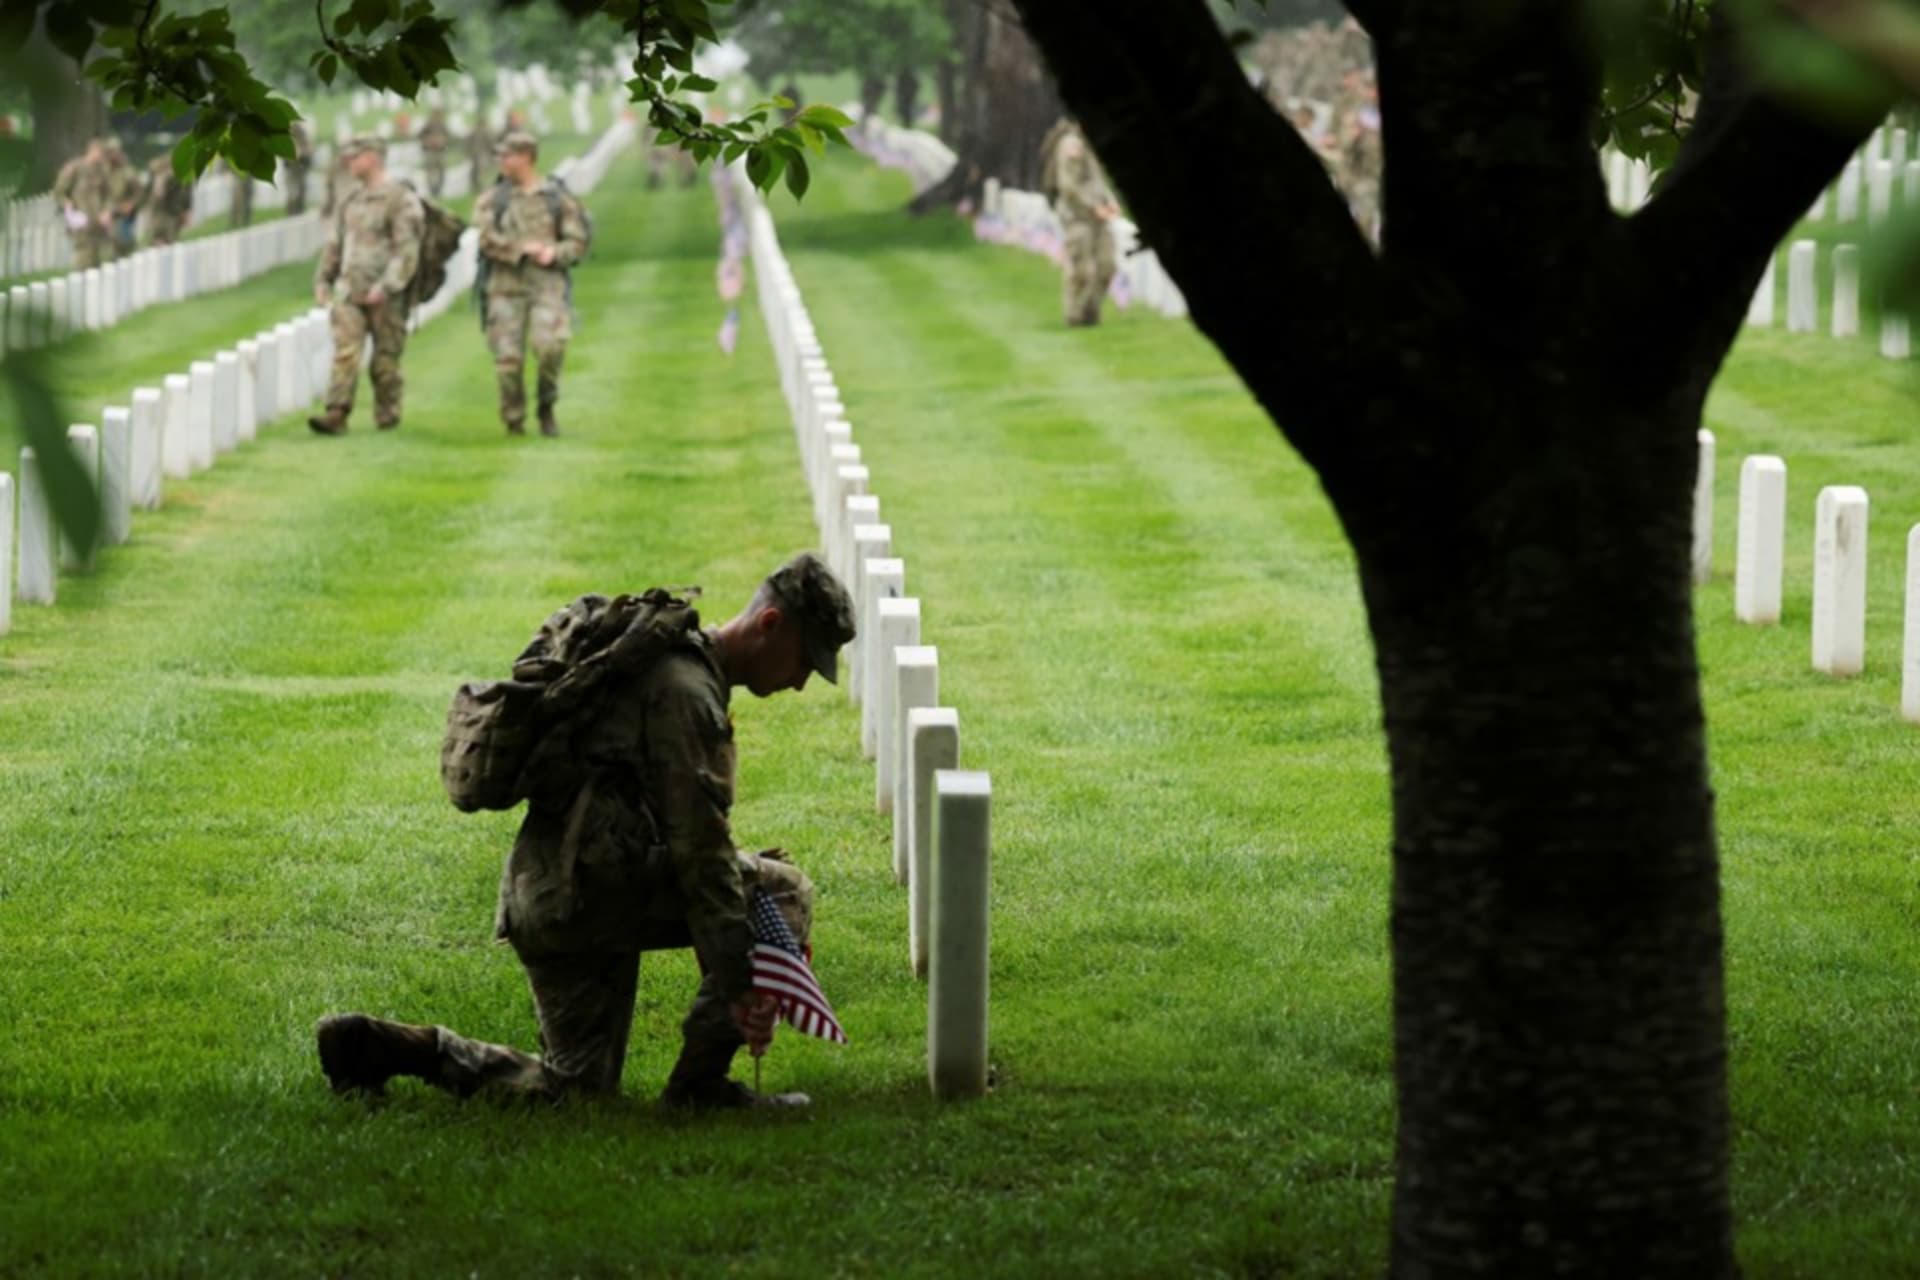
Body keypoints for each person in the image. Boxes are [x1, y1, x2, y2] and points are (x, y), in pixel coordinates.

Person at [315, 554, 860, 1110]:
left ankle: (396, 1049)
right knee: (781, 891)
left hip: (547, 893)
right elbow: (702, 854)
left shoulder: (661, 660)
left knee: (576, 1092)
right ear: (770, 624)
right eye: (804, 662)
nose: (799, 683)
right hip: (597, 893)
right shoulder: (685, 692)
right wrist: (740, 981)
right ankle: (700, 1090)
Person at [476, 131, 590, 437]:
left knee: (551, 347)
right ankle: (513, 418)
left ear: (526, 156)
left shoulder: (556, 199)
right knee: (507, 359)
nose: (502, 161)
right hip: (504, 287)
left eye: (507, 155)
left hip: (547, 286)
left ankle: (546, 406)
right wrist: (518, 249)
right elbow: (485, 239)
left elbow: (578, 241)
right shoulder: (493, 200)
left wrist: (554, 252)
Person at [309, 137, 425, 435]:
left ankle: (387, 413)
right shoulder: (351, 199)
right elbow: (336, 244)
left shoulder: (400, 199)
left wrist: (386, 286)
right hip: (350, 291)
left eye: (355, 156)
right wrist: (324, 278)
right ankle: (336, 413)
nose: (349, 162)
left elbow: (407, 250)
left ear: (373, 157)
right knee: (345, 352)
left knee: (385, 361)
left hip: (386, 295)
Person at [1041, 120, 1119, 327]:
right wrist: (1094, 207)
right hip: (1077, 217)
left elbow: (1098, 179)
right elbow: (1068, 186)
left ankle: (1091, 312)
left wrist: (1110, 201)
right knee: (1082, 271)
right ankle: (1074, 316)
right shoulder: (1070, 144)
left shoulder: (1091, 143)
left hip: (1100, 216)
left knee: (1107, 266)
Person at [52, 137, 116, 269]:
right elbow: (59, 191)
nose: (102, 157)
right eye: (100, 153)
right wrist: (66, 203)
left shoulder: (103, 171)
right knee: (83, 254)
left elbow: (109, 195)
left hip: (98, 221)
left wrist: (107, 211)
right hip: (80, 218)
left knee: (98, 256)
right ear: (92, 151)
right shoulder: (75, 167)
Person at [142, 153, 193, 246]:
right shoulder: (165, 175)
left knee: (169, 239)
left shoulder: (181, 176)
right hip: (163, 211)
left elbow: (186, 194)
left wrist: (185, 211)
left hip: (173, 211)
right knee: (159, 238)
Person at [103, 138, 143, 256]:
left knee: (124, 242)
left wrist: (131, 204)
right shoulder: (102, 171)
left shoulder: (127, 172)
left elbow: (139, 192)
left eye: (114, 152)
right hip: (106, 214)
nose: (112, 155)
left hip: (123, 214)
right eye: (109, 152)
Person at [417, 107, 451, 197]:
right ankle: (432, 190)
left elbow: (448, 136)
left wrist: (443, 141)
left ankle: (438, 189)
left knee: (442, 171)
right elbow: (420, 135)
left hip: (440, 152)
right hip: (430, 152)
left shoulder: (443, 125)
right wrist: (427, 141)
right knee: (430, 172)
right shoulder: (428, 124)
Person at [285, 120, 313, 216]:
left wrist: (302, 156)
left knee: (300, 191)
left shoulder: (304, 142)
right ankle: (292, 212)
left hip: (300, 170)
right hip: (292, 171)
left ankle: (298, 211)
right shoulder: (289, 140)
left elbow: (308, 157)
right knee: (293, 193)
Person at [466, 115, 495, 194]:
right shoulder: (477, 131)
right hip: (477, 154)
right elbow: (469, 142)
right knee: (476, 172)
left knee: (479, 172)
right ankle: (477, 187)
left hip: (481, 154)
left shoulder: (483, 131)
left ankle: (479, 188)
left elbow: (490, 143)